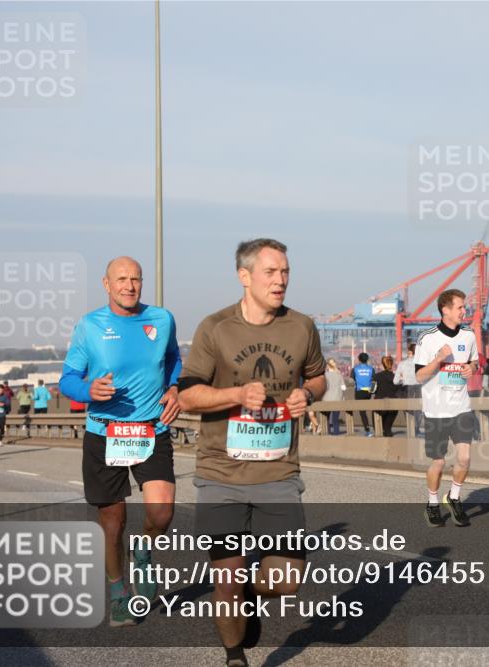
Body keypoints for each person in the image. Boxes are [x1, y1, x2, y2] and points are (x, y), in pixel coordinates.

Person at [177, 238, 325, 667]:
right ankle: (234, 657)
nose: (280, 280)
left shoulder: (301, 326)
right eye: (270, 272)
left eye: (285, 272)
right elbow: (187, 397)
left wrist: (306, 394)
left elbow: (318, 378)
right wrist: (237, 393)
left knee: (286, 581)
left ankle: (249, 594)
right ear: (245, 277)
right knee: (225, 580)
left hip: (278, 471)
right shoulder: (216, 327)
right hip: (220, 472)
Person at [59, 256, 182, 628]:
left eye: (136, 279)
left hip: (150, 430)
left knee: (161, 512)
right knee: (113, 522)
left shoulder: (162, 319)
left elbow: (173, 359)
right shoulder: (90, 325)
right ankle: (117, 592)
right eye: (121, 279)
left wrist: (174, 386)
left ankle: (142, 552)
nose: (129, 285)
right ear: (106, 284)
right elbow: (68, 378)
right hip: (104, 432)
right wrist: (87, 389)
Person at [414, 288, 479, 528]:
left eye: (464, 307)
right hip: (436, 411)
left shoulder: (469, 335)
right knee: (439, 463)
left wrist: (472, 368)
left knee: (464, 458)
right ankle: (432, 503)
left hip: (461, 406)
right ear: (446, 310)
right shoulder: (427, 338)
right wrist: (438, 359)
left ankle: (453, 497)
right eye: (460, 307)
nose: (465, 311)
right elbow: (419, 376)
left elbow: (475, 361)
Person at [394, 343, 423, 436]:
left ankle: (410, 430)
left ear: (410, 352)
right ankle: (417, 429)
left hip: (407, 388)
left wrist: (403, 379)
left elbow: (395, 381)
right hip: (420, 388)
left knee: (408, 410)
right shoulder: (422, 364)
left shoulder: (402, 364)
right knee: (419, 410)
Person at [372, 356, 399, 437]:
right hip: (393, 404)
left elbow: (372, 390)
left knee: (378, 428)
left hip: (379, 404)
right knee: (388, 428)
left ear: (382, 365)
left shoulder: (376, 376)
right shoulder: (395, 377)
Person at [351, 352, 375, 437]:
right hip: (368, 392)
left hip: (359, 391)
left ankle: (367, 429)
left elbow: (353, 378)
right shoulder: (371, 369)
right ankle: (376, 427)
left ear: (359, 359)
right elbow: (374, 380)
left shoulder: (355, 369)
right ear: (367, 359)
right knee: (372, 409)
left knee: (362, 412)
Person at [322, 358, 346, 435]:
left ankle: (327, 432)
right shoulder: (339, 375)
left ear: (327, 366)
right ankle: (336, 432)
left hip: (326, 399)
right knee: (335, 418)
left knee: (327, 418)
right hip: (337, 398)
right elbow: (344, 388)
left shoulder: (324, 375)